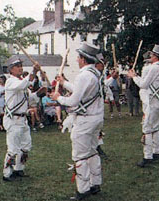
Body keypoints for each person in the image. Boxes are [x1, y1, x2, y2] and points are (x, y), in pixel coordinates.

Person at [52, 42, 104, 200]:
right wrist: (64, 83)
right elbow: (80, 90)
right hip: (96, 119)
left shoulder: (84, 75)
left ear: (83, 59)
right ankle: (95, 184)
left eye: (78, 57)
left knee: (80, 155)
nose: (76, 60)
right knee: (92, 151)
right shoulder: (95, 73)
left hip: (85, 121)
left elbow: (74, 100)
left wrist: (58, 97)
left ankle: (83, 190)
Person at [128, 44, 159, 167]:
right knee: (155, 127)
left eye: (152, 54)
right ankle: (156, 153)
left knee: (147, 129)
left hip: (153, 102)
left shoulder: (154, 68)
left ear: (156, 56)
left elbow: (144, 85)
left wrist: (134, 76)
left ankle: (147, 157)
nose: (150, 56)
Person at [2, 56, 40, 182]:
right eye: (17, 66)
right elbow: (22, 85)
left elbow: (29, 98)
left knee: (26, 146)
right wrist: (34, 72)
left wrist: (40, 93)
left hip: (23, 119)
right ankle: (7, 174)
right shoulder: (11, 81)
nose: (20, 68)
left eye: (21, 66)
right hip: (13, 119)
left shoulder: (21, 82)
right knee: (13, 148)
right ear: (11, 70)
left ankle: (19, 169)